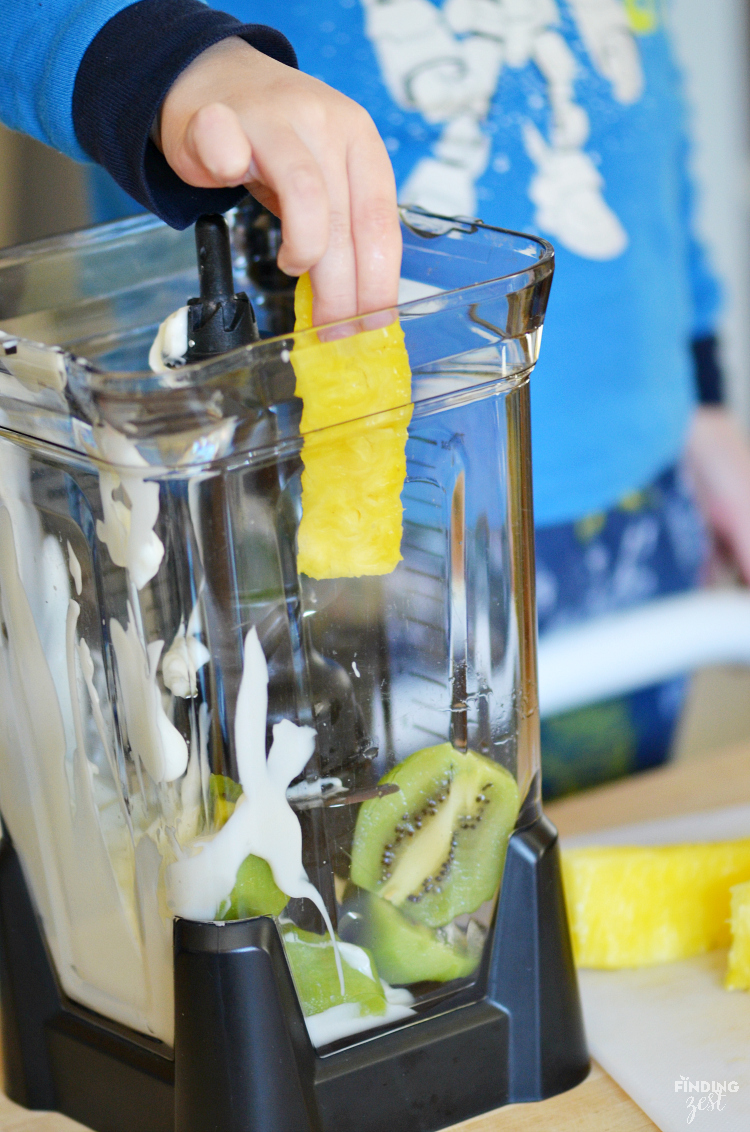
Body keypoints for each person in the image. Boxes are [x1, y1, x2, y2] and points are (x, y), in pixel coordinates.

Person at [4, 0, 750, 795]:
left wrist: (702, 400)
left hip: (635, 523)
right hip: (309, 561)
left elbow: (648, 135)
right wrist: (167, 58)